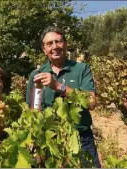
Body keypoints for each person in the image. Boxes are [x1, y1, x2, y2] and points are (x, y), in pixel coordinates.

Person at [26, 26, 101, 168]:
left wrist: (58, 86)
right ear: (44, 49)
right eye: (49, 44)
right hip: (49, 140)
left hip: (81, 138)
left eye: (58, 42)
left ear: (65, 45)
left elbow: (91, 102)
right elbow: (33, 112)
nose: (54, 47)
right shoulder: (37, 75)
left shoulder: (81, 69)